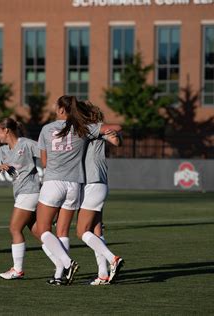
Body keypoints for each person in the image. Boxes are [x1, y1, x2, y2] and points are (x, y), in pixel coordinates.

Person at [36, 95, 115, 286]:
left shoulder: (47, 129)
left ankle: (67, 264)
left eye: (56, 106)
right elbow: (112, 130)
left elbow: (44, 162)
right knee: (63, 230)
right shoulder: (83, 129)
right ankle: (59, 274)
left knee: (43, 229)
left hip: (54, 182)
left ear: (61, 109)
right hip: (75, 185)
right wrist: (113, 135)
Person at [75, 101, 124, 285]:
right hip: (99, 184)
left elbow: (115, 134)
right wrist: (114, 137)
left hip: (93, 184)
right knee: (96, 230)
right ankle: (103, 274)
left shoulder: (89, 128)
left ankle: (113, 259)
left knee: (81, 232)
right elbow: (115, 140)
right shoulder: (96, 131)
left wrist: (113, 135)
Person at [0, 118, 41, 280]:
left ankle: (17, 269)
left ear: (6, 131)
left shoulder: (26, 144)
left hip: (31, 191)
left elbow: (47, 154)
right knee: (39, 232)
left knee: (14, 229)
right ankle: (64, 261)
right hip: (21, 194)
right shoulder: (3, 151)